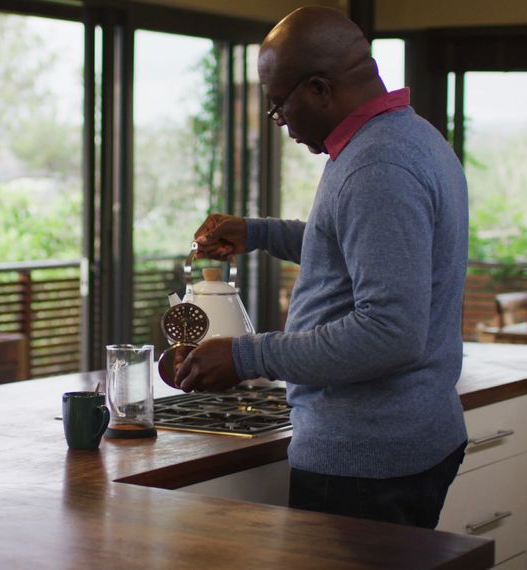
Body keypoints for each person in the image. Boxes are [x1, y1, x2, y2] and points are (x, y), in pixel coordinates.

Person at [173, 6, 469, 529]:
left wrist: (247, 356)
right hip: (401, 440)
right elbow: (359, 249)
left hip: (366, 459)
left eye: (277, 106)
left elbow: (390, 333)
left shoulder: (377, 165)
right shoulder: (409, 137)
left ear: (318, 89)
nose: (280, 122)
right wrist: (259, 233)